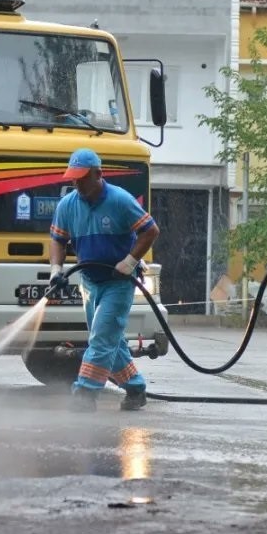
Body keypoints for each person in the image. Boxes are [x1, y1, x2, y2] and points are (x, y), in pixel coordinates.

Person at [48, 148, 160, 412]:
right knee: (111, 340)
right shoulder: (68, 205)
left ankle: (85, 394)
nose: (76, 183)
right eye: (73, 178)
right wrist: (56, 269)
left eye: (82, 178)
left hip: (118, 282)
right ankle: (135, 388)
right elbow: (58, 239)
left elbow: (150, 231)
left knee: (101, 338)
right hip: (89, 281)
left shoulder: (120, 200)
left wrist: (130, 262)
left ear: (99, 174)